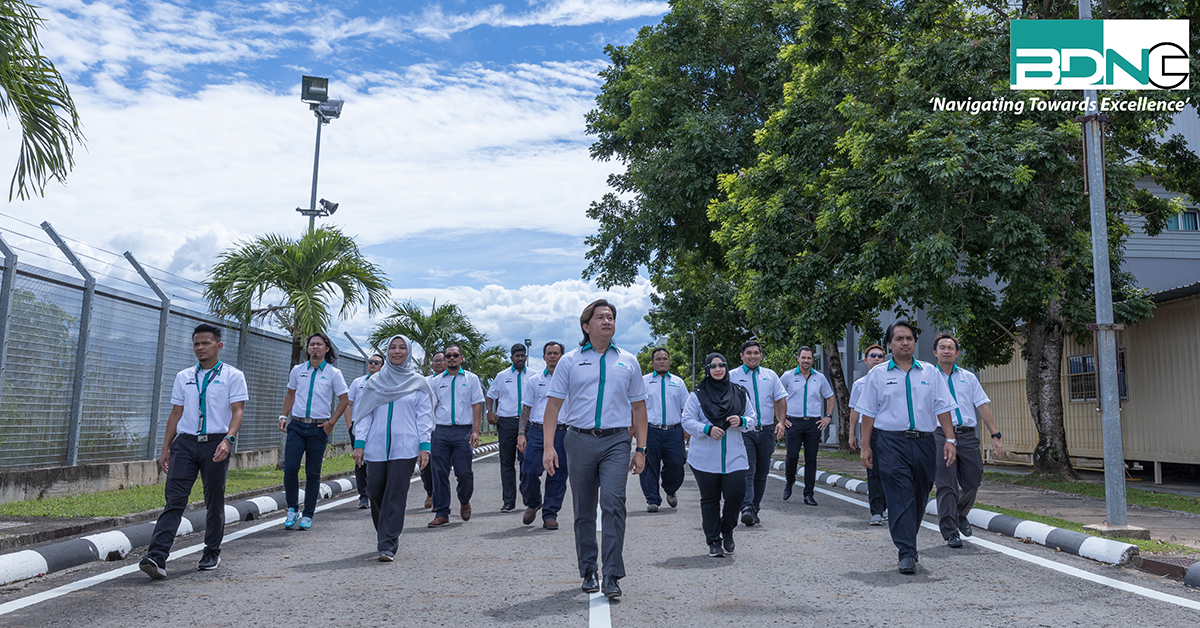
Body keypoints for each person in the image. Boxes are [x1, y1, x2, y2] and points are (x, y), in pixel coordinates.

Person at [543, 298, 648, 599]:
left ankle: (612, 574)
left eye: (611, 317)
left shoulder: (628, 361)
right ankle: (589, 569)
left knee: (614, 503)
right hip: (579, 440)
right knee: (584, 508)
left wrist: (641, 449)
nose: (607, 321)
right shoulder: (570, 361)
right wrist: (549, 446)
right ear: (586, 326)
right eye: (600, 317)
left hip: (616, 441)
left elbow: (639, 408)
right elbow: (553, 406)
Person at [140, 323, 248, 579]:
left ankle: (211, 551)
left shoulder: (233, 376)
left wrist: (228, 440)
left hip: (216, 443)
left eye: (206, 343)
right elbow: (176, 413)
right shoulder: (183, 376)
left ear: (219, 346)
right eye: (196, 343)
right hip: (185, 444)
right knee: (174, 500)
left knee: (214, 500)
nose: (200, 347)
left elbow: (237, 411)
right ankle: (156, 556)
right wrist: (166, 447)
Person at [856, 321, 958, 574]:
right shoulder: (878, 375)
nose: (905, 343)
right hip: (891, 443)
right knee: (900, 495)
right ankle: (906, 552)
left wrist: (950, 439)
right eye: (899, 339)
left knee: (920, 495)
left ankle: (908, 540)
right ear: (889, 344)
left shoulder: (929, 372)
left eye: (909, 338)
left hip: (925, 442)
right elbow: (868, 413)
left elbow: (943, 407)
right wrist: (865, 446)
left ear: (914, 342)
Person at [351, 335, 435, 561]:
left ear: (408, 352)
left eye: (402, 348)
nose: (397, 351)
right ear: (387, 352)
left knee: (395, 494)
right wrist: (359, 444)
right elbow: (364, 415)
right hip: (375, 447)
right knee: (375, 490)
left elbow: (424, 417)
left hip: (405, 448)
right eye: (392, 348)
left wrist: (424, 446)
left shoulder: (418, 383)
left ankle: (388, 544)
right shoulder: (375, 382)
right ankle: (384, 532)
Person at [932, 333, 1005, 548]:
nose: (946, 351)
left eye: (950, 348)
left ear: (957, 353)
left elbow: (982, 405)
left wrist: (995, 435)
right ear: (935, 352)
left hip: (967, 435)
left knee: (973, 479)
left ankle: (960, 513)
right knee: (946, 483)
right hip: (940, 435)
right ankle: (950, 532)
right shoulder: (928, 378)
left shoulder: (968, 377)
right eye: (942, 347)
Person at [682, 353, 754, 558]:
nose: (718, 369)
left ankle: (727, 529)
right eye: (713, 366)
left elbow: (752, 418)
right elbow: (686, 420)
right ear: (707, 370)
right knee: (710, 499)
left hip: (735, 457)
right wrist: (706, 429)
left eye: (721, 365)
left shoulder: (739, 393)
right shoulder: (698, 394)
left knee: (736, 496)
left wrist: (741, 421)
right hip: (705, 458)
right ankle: (713, 540)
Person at [278, 332, 350, 531]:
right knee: (290, 468)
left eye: (319, 344)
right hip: (297, 425)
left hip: (319, 428)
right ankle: (293, 508)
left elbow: (344, 399)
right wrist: (283, 416)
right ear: (308, 348)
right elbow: (290, 394)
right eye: (312, 344)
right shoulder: (298, 370)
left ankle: (308, 514)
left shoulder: (334, 373)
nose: (315, 347)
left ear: (327, 349)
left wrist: (331, 423)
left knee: (312, 472)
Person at [728, 340, 787, 526]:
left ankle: (754, 508)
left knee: (762, 473)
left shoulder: (770, 376)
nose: (752, 356)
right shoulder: (732, 376)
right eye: (748, 353)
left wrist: (781, 422)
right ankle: (746, 507)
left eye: (756, 353)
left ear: (761, 355)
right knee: (748, 470)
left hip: (766, 431)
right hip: (743, 431)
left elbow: (780, 399)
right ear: (742, 356)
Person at [427, 343, 483, 527]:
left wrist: (475, 431)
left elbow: (476, 405)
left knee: (464, 472)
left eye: (455, 355)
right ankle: (442, 512)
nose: (452, 358)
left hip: (463, 431)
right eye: (448, 355)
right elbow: (430, 407)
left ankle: (464, 500)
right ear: (444, 359)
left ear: (461, 358)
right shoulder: (436, 381)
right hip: (441, 431)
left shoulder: (471, 379)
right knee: (439, 472)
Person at [517, 341, 568, 529]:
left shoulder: (570, 380)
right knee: (529, 471)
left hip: (562, 432)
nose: (553, 356)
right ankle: (533, 502)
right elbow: (526, 408)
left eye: (556, 353)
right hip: (537, 431)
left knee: (558, 474)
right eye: (549, 353)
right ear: (544, 356)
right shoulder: (534, 380)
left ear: (562, 356)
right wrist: (521, 433)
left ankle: (550, 514)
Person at [778, 347, 835, 506]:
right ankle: (790, 481)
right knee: (792, 456)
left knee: (811, 458)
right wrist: (781, 419)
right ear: (798, 358)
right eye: (803, 357)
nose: (806, 361)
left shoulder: (819, 377)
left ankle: (809, 493)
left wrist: (828, 416)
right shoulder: (788, 376)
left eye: (809, 358)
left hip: (813, 423)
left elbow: (830, 397)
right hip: (793, 422)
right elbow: (777, 397)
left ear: (812, 359)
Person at [641, 347, 688, 513]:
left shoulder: (678, 382)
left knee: (677, 462)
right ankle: (652, 499)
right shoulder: (644, 382)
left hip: (674, 431)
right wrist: (634, 429)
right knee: (649, 465)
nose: (662, 361)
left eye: (665, 358)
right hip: (650, 430)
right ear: (652, 362)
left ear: (669, 361)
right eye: (658, 359)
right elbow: (636, 407)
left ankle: (670, 488)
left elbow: (686, 407)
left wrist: (687, 428)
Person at [847, 345, 889, 525]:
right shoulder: (860, 384)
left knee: (890, 470)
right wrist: (851, 434)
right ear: (865, 360)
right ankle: (876, 511)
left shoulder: (891, 380)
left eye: (880, 356)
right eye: (873, 356)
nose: (877, 358)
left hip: (889, 430)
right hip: (870, 431)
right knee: (873, 470)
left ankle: (887, 506)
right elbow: (854, 410)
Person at [486, 343, 530, 512]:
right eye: (517, 356)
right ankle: (509, 501)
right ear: (511, 358)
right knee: (507, 462)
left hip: (528, 424)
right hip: (506, 422)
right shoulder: (502, 376)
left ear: (526, 357)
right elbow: (491, 395)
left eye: (522, 355)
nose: (520, 358)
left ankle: (527, 493)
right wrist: (489, 411)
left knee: (527, 461)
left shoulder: (534, 376)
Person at [347, 353, 385, 509]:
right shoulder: (358, 382)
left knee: (376, 461)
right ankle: (363, 496)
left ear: (382, 367)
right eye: (371, 362)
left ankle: (375, 493)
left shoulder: (386, 383)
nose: (373, 364)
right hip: (358, 427)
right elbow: (348, 404)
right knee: (359, 461)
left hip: (378, 428)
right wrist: (350, 425)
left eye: (377, 362)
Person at [421, 350, 447, 509]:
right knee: (426, 464)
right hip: (427, 428)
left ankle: (439, 496)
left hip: (444, 428)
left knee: (440, 465)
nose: (438, 363)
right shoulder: (425, 381)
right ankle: (430, 492)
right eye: (436, 360)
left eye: (441, 360)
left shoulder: (452, 381)